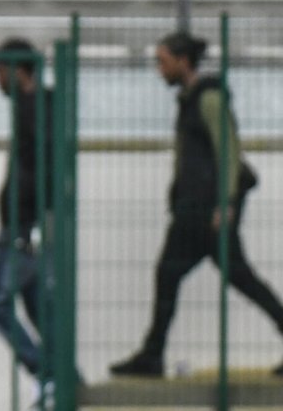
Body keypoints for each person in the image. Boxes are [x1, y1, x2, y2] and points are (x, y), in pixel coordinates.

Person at [110, 32, 283, 378]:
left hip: (205, 211)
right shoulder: (191, 100)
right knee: (232, 278)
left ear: (183, 61)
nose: (160, 69)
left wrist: (226, 203)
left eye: (163, 61)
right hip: (195, 208)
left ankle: (153, 355)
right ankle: (152, 353)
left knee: (174, 274)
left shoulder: (210, 99)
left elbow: (229, 150)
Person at [0, 38, 51, 400]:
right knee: (40, 311)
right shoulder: (33, 106)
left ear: (20, 70)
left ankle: (47, 372)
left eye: (0, 71)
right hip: (22, 225)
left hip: (21, 228)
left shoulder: (35, 108)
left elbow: (41, 168)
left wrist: (28, 216)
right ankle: (65, 380)